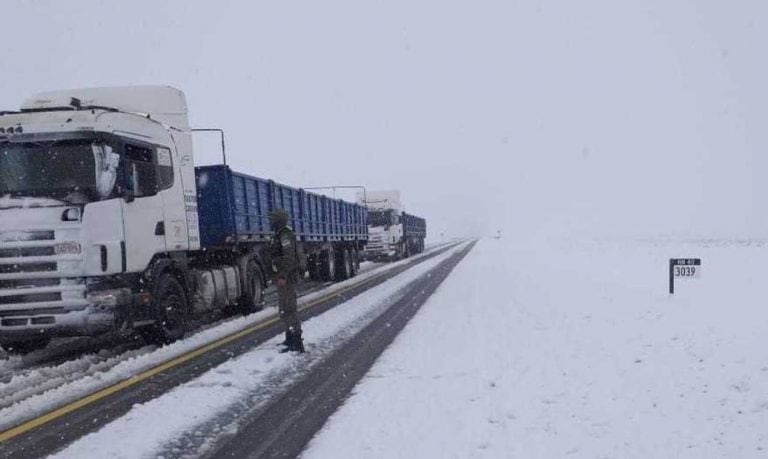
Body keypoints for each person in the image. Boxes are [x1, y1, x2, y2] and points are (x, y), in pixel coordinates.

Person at [268, 209, 305, 353]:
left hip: (287, 278)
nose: (270, 222)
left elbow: (289, 258)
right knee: (284, 309)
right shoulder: (279, 234)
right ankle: (290, 338)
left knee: (289, 309)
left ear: (279, 220)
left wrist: (283, 276)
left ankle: (296, 342)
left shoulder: (285, 235)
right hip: (283, 277)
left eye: (272, 220)